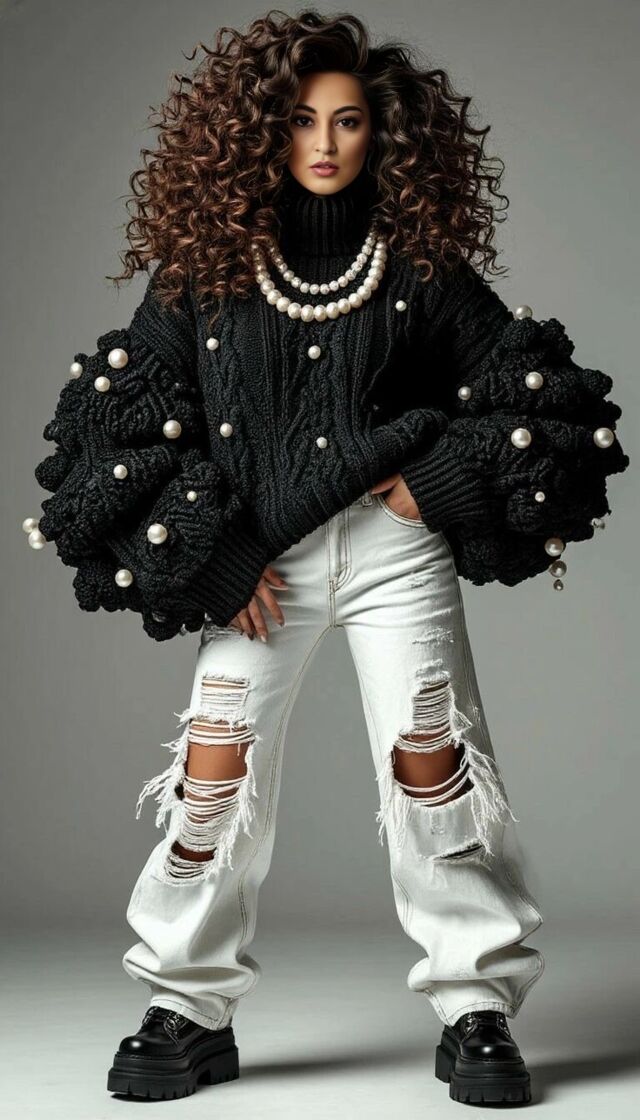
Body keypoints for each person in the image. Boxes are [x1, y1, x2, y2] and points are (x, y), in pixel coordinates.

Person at [23, 8, 629, 1108]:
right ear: (259, 131)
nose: (324, 142)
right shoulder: (204, 270)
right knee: (213, 775)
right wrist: (212, 558)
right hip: (260, 562)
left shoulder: (420, 265)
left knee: (432, 764)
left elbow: (543, 395)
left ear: (379, 132)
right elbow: (108, 424)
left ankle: (475, 1004)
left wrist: (442, 482)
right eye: (302, 120)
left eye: (348, 121)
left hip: (394, 549)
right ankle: (185, 1006)